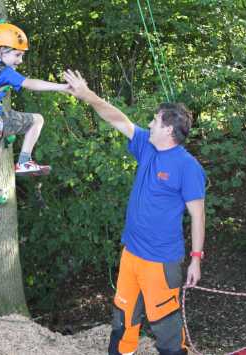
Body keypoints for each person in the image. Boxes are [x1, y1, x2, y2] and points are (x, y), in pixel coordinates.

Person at [64, 70, 206, 355]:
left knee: (166, 326)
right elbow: (116, 117)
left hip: (161, 260)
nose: (150, 124)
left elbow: (198, 216)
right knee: (123, 318)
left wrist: (196, 259)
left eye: (155, 120)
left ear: (168, 129)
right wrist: (87, 95)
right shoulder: (146, 146)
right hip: (131, 254)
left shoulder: (188, 166)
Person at [0, 21, 69, 223]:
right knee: (37, 120)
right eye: (17, 55)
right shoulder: (4, 71)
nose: (20, 60)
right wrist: (61, 87)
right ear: (2, 51)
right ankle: (23, 161)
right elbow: (30, 83)